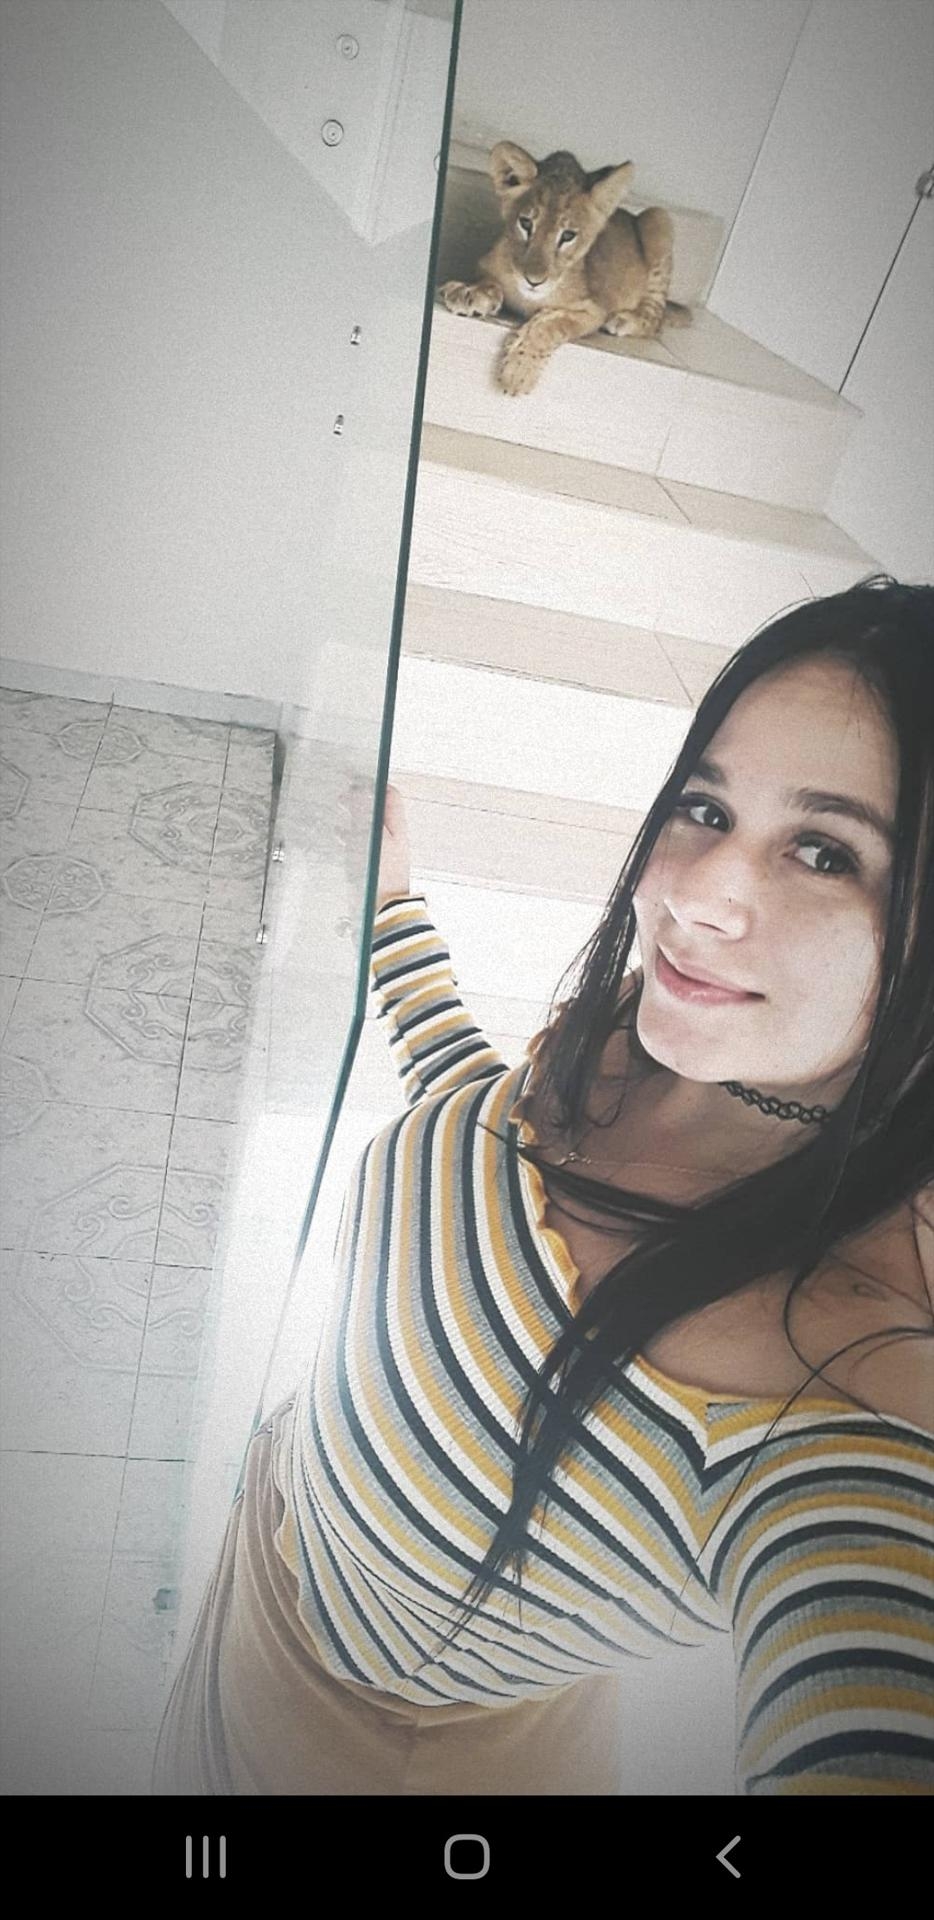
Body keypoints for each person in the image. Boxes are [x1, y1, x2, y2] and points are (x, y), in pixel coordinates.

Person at [151, 574, 933, 1797]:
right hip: (273, 1534)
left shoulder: (839, 1392)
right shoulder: (657, 1044)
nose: (691, 896)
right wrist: (393, 909)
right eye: (705, 806)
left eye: (826, 853)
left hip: (345, 1750)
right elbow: (477, 1134)